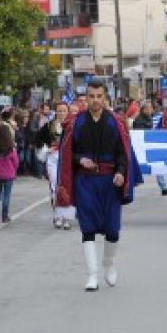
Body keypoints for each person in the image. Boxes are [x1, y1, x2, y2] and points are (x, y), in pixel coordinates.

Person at [56, 81, 139, 291]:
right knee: (88, 227)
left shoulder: (116, 122)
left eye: (99, 96)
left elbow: (124, 153)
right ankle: (92, 275)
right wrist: (80, 160)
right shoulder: (76, 123)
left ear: (105, 98)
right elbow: (67, 153)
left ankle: (108, 264)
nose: (95, 100)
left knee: (113, 230)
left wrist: (121, 172)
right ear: (86, 98)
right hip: (85, 181)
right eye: (91, 96)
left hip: (110, 181)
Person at [38, 102, 75, 230]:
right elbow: (37, 139)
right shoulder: (49, 126)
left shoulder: (72, 126)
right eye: (59, 111)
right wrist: (47, 148)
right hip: (53, 159)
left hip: (68, 159)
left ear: (68, 111)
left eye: (64, 111)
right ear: (56, 112)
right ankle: (58, 216)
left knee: (68, 187)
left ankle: (67, 218)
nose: (62, 113)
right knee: (55, 187)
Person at [0, 119, 20, 223]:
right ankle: (4, 215)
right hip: (9, 175)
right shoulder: (11, 149)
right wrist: (14, 170)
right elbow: (16, 162)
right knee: (6, 195)